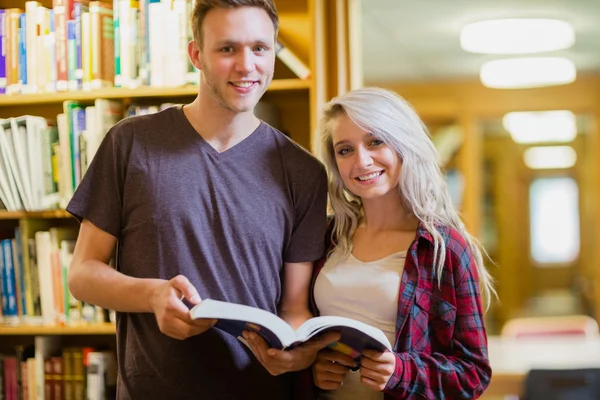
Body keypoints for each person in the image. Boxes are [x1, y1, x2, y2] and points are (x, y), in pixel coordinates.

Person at [66, 0, 337, 398]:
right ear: (196, 54)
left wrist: (297, 353)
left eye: (260, 48)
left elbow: (294, 307)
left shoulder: (304, 171)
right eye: (228, 48)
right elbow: (82, 275)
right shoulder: (131, 143)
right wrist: (153, 295)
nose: (247, 65)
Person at [309, 87, 494, 399]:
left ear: (402, 144)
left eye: (375, 142)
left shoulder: (444, 249)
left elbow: (473, 374)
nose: (362, 161)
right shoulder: (326, 237)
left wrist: (400, 371)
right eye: (345, 150)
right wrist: (314, 367)